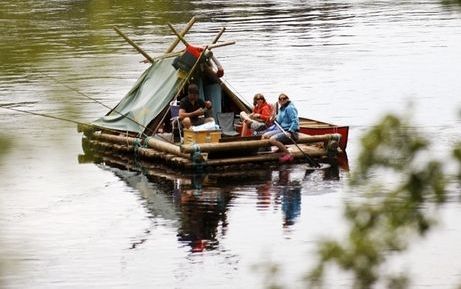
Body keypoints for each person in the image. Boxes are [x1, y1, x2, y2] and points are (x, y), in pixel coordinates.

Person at [262, 93, 299, 163]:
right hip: (282, 129)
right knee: (265, 135)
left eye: (284, 98)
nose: (282, 100)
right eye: (280, 99)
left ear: (287, 99)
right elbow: (278, 122)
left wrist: (290, 131)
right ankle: (268, 151)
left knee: (272, 140)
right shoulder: (281, 109)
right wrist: (273, 118)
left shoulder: (290, 108)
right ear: (278, 101)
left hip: (290, 132)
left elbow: (295, 121)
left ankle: (288, 154)